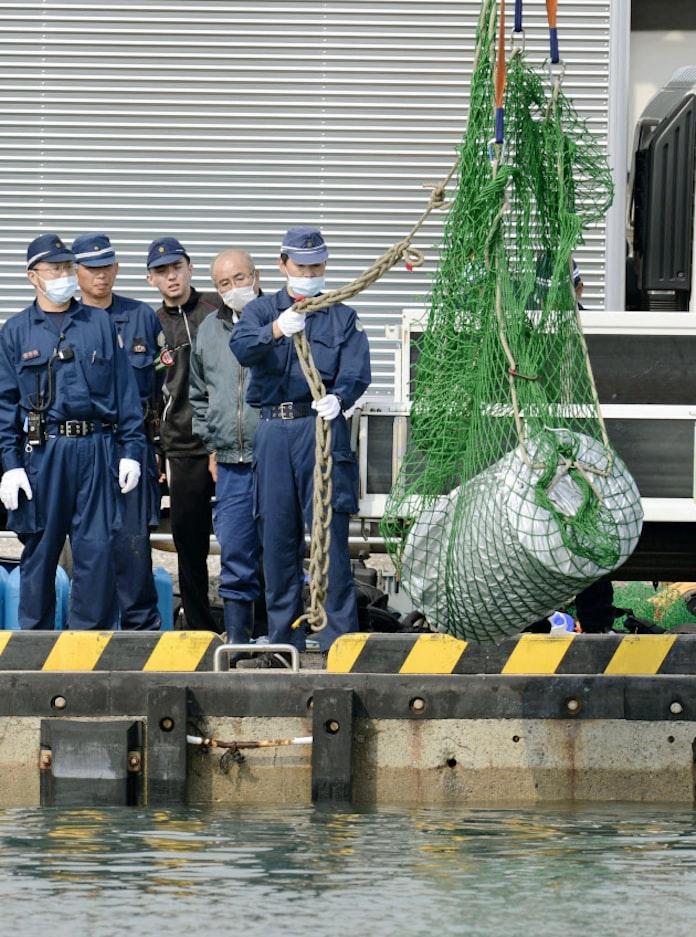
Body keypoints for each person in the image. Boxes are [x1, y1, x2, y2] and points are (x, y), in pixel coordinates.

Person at [230, 225, 371, 666]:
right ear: (283, 265)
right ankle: (281, 641)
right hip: (275, 429)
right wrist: (274, 328)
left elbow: (356, 370)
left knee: (328, 537)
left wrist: (340, 398)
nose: (310, 272)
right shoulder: (259, 310)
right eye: (302, 265)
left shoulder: (340, 316)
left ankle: (338, 642)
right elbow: (241, 347)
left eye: (317, 265)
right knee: (276, 537)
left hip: (321, 427)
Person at [0, 233, 145, 630]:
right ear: (34, 277)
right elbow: (5, 406)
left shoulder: (98, 323)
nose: (64, 275)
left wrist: (131, 449)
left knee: (97, 552)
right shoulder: (15, 332)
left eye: (68, 267)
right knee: (40, 551)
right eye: (55, 268)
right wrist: (10, 465)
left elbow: (125, 393)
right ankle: (34, 647)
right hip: (44, 454)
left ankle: (89, 647)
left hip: (97, 450)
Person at [72, 232, 163, 630]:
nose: (100, 276)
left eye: (106, 267)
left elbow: (162, 392)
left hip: (134, 443)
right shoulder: (67, 321)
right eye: (91, 269)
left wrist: (157, 449)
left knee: (134, 542)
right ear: (77, 272)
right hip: (88, 443)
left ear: (117, 269)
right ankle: (94, 631)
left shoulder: (142, 316)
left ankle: (141, 630)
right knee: (90, 544)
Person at [189, 248, 264, 653]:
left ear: (256, 275)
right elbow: (198, 395)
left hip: (273, 457)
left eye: (239, 279)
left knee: (280, 551)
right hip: (231, 464)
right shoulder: (209, 330)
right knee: (235, 550)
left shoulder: (277, 321)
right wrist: (213, 442)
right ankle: (238, 638)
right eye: (223, 284)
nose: (233, 289)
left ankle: (282, 635)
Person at [146, 236, 221, 631]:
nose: (171, 276)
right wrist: (155, 447)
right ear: (150, 279)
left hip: (226, 444)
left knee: (245, 538)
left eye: (177, 267)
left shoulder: (218, 308)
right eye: (162, 271)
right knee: (189, 543)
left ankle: (253, 622)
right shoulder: (151, 323)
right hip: (180, 446)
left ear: (190, 268)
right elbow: (149, 394)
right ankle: (199, 626)